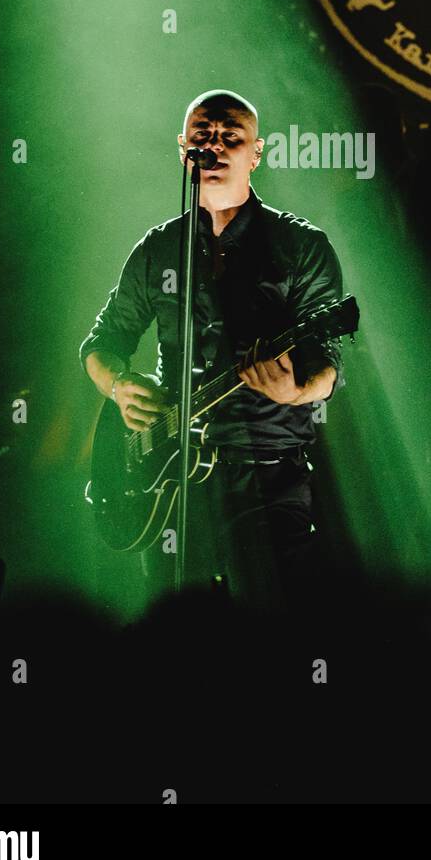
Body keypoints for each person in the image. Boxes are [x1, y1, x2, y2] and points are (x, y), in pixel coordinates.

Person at [80, 89, 346, 609]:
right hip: (169, 477)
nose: (215, 147)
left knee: (268, 630)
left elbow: (329, 361)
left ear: (256, 153)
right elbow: (102, 343)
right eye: (202, 136)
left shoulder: (301, 248)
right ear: (184, 150)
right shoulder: (158, 249)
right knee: (174, 635)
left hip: (267, 474)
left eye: (230, 137)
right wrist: (118, 385)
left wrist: (297, 391)